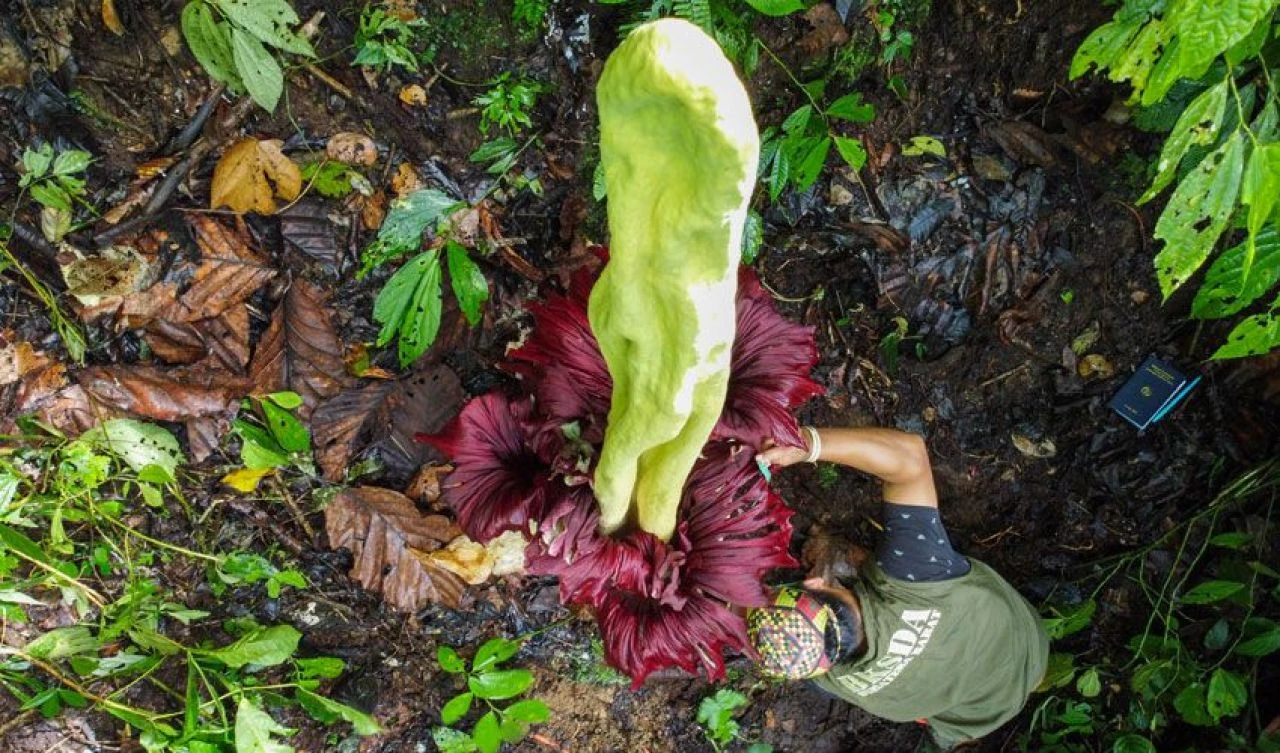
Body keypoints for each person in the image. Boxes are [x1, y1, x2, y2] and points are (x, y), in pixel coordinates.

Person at [747, 426, 1049, 752]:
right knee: (948, 727)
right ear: (816, 582)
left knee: (948, 726)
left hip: (997, 692)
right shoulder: (916, 578)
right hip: (1024, 641)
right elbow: (909, 458)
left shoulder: (852, 687)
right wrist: (806, 444)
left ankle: (960, 741)